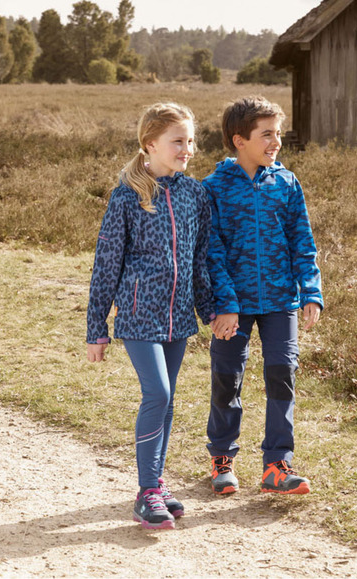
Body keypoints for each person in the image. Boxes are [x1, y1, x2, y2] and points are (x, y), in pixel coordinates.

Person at [86, 102, 215, 530]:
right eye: (178, 141)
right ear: (150, 144)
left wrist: (210, 310)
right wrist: (97, 329)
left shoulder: (195, 194)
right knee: (157, 393)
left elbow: (200, 259)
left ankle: (157, 482)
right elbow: (106, 265)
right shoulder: (127, 196)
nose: (187, 149)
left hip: (179, 317)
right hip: (139, 315)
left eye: (190, 141)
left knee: (168, 399)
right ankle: (146, 492)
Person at [203, 96, 323, 495]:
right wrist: (225, 305)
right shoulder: (214, 188)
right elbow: (212, 252)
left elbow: (302, 241)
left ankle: (277, 465)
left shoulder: (286, 183)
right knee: (227, 379)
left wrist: (310, 290)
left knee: (282, 376)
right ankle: (222, 459)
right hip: (231, 307)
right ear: (240, 140)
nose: (276, 142)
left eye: (278, 133)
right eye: (266, 134)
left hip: (280, 301)